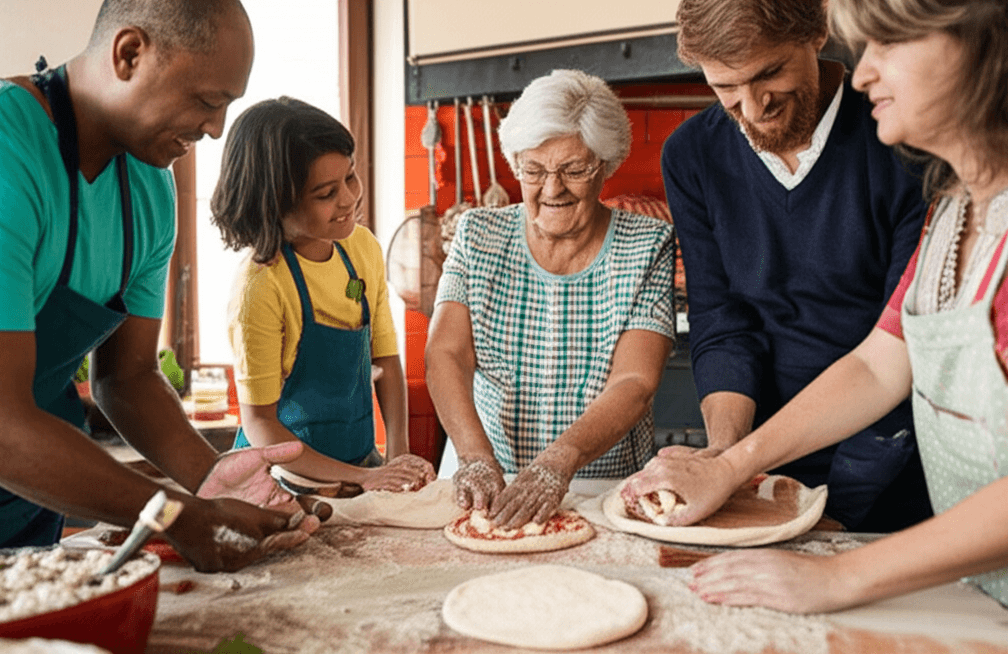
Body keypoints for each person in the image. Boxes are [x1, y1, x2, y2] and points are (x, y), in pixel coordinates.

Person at [625, 0, 1008, 613]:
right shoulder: (955, 214)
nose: (860, 72)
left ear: (981, 43)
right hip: (977, 587)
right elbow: (880, 366)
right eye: (726, 87)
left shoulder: (924, 180)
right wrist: (729, 464)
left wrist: (841, 571)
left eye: (888, 44)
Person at [0, 0, 318, 572]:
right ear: (129, 53)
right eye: (207, 102)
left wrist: (208, 476)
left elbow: (127, 376)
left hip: (29, 503)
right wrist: (179, 517)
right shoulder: (0, 152)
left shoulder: (151, 192)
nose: (215, 130)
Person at [660, 0, 932, 531]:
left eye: (770, 74)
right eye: (725, 88)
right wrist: (726, 456)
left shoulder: (903, 143)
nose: (753, 107)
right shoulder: (692, 155)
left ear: (816, 33)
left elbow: (895, 357)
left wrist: (839, 512)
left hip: (893, 467)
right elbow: (723, 323)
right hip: (764, 464)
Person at [426, 70, 676, 529]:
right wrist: (477, 457)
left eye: (574, 169)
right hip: (485, 481)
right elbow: (446, 353)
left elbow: (635, 381)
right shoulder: (477, 235)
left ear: (606, 163)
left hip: (600, 490)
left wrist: (559, 461)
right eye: (534, 170)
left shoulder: (648, 244)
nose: (552, 189)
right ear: (515, 163)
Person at [211, 97, 436, 492]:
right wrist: (365, 478)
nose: (349, 199)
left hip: (360, 467)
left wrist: (396, 456)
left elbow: (386, 356)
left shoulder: (361, 249)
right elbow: (260, 423)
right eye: (325, 193)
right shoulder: (260, 287)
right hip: (281, 483)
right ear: (274, 203)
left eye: (350, 177)